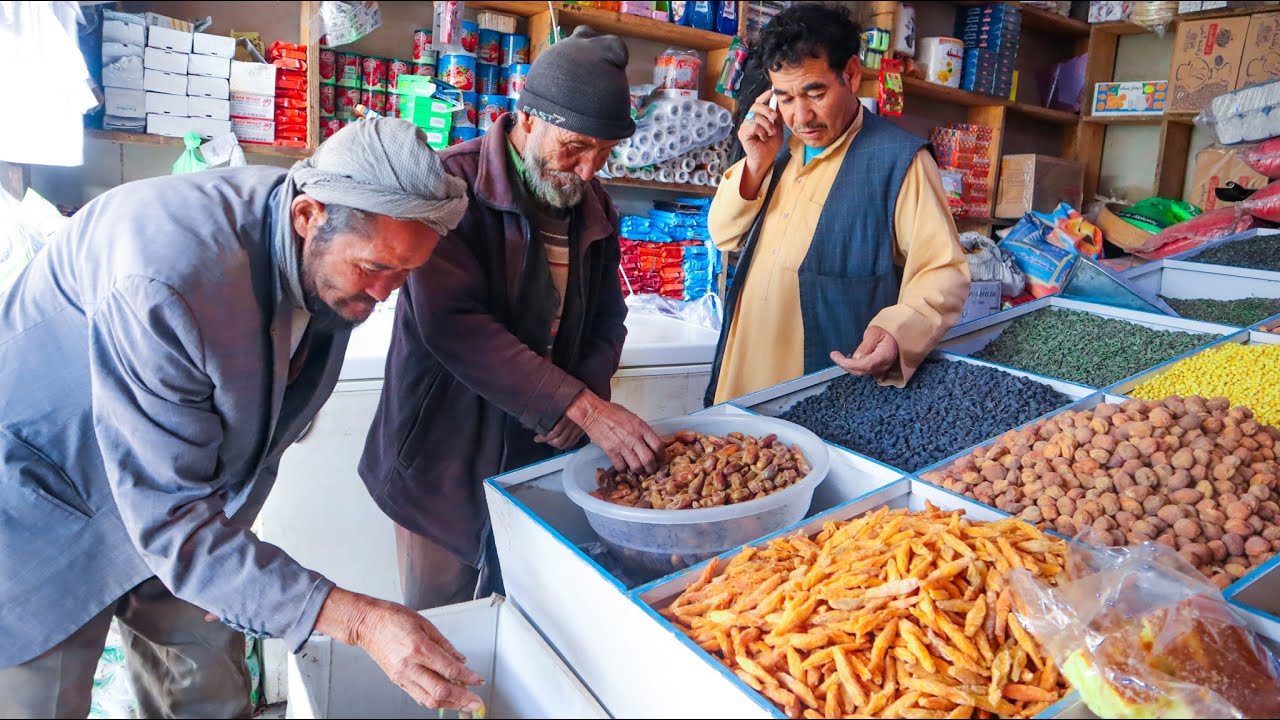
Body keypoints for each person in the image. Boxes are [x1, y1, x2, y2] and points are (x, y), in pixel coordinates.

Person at [0, 118, 488, 718]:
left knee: (210, 690)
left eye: (406, 274)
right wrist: (357, 620)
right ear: (309, 217)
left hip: (182, 495)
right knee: (42, 701)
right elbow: (173, 524)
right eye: (374, 269)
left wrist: (229, 570)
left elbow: (260, 439)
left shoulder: (322, 250)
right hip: (51, 497)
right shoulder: (167, 279)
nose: (387, 293)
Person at [360, 26, 664, 611]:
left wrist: (582, 400)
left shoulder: (592, 203)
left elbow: (608, 315)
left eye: (604, 153)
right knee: (442, 624)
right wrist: (578, 405)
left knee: (524, 612)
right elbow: (452, 324)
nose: (587, 169)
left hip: (537, 449)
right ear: (528, 118)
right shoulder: (452, 187)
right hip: (444, 454)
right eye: (575, 147)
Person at [704, 4, 971, 406]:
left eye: (815, 93)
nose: (801, 116)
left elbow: (942, 270)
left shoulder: (899, 160)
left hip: (822, 384)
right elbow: (723, 235)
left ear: (850, 74)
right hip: (743, 368)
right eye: (785, 98)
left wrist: (900, 331)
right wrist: (756, 165)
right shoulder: (776, 145)